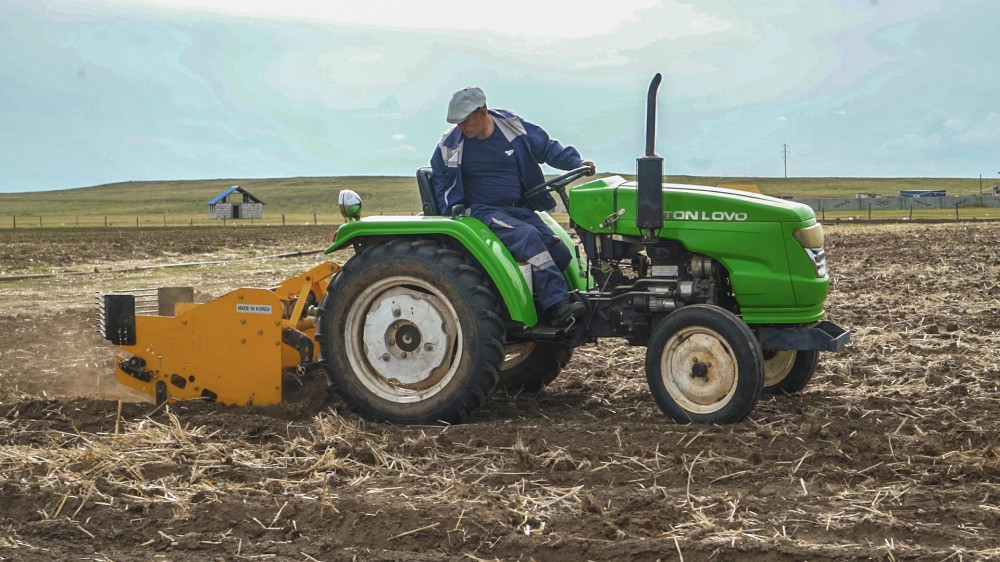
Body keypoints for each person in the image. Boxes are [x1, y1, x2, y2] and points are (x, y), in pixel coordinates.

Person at [430, 86, 595, 326]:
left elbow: (546, 148)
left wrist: (575, 162)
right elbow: (441, 180)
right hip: (482, 211)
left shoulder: (512, 126)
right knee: (528, 237)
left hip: (519, 209)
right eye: (457, 123)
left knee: (559, 251)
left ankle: (540, 305)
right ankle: (558, 306)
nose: (461, 127)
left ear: (482, 111)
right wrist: (453, 211)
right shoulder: (450, 145)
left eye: (464, 121)